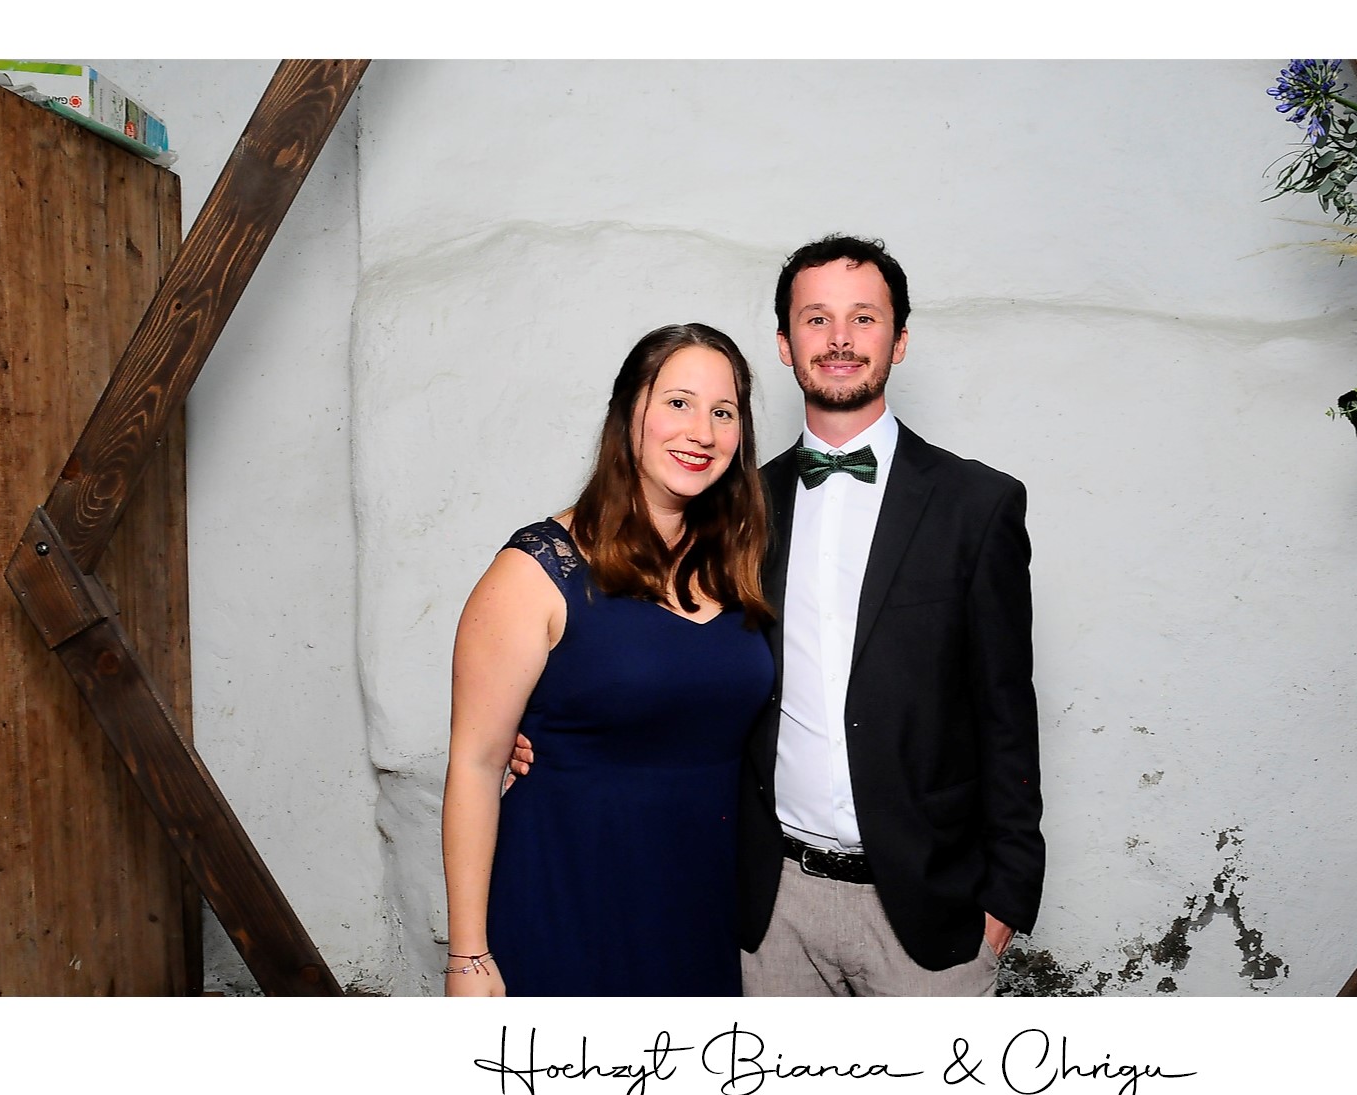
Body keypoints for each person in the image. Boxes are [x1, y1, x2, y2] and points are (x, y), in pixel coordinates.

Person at [735, 234, 1044, 995]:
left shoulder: (978, 506)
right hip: (771, 908)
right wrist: (550, 730)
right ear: (785, 344)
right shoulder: (738, 509)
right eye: (816, 318)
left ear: (899, 341)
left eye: (864, 318)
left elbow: (1007, 709)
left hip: (929, 911)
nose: (840, 338)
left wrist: (1007, 898)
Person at [440, 323, 774, 997]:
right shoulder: (536, 569)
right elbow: (475, 765)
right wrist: (467, 957)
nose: (702, 432)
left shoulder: (740, 563)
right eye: (678, 403)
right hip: (565, 903)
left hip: (699, 909)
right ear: (629, 414)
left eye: (724, 412)